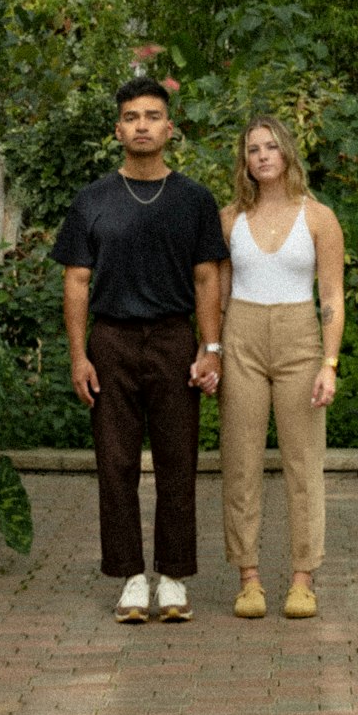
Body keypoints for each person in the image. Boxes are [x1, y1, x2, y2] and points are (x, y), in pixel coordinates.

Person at [54, 77, 226, 624]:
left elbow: (206, 280)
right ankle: (130, 577)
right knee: (116, 463)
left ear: (170, 128)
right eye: (132, 117)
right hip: (112, 341)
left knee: (179, 460)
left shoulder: (194, 199)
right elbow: (77, 282)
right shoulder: (93, 200)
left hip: (176, 341)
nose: (143, 125)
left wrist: (211, 349)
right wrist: (79, 356)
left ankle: (173, 578)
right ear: (118, 129)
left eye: (153, 116)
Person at [218, 115, 345, 619]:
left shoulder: (318, 218)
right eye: (253, 150)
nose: (263, 156)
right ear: (244, 161)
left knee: (304, 462)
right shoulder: (229, 219)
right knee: (240, 461)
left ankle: (302, 578)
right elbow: (219, 294)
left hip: (299, 339)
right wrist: (211, 352)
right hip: (241, 338)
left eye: (271, 146)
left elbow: (332, 296)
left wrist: (329, 364)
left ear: (287, 153)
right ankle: (248, 578)